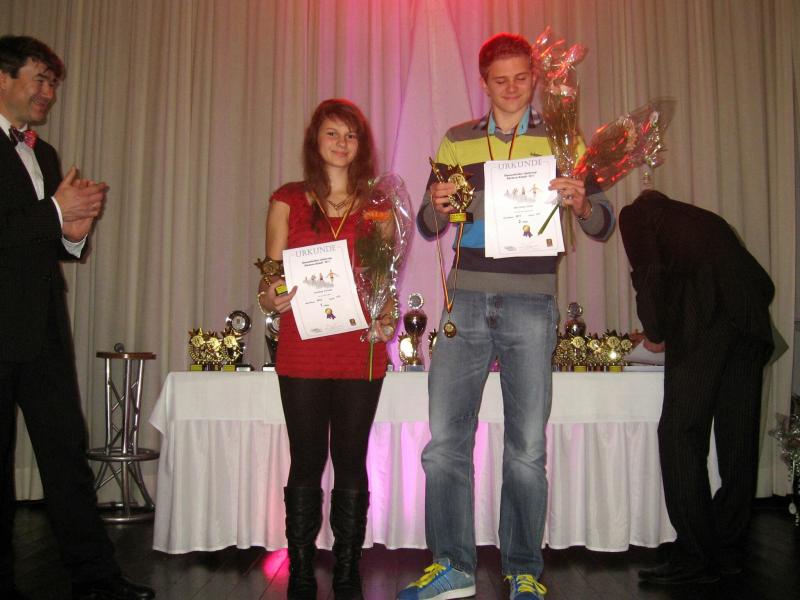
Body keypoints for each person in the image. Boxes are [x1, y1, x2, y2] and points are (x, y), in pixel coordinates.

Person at [398, 33, 615, 600]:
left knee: (526, 447)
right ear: (484, 83)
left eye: (521, 77)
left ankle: (522, 568)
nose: (512, 88)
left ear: (535, 79)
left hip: (532, 301)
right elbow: (428, 225)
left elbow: (602, 223)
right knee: (445, 442)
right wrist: (437, 205)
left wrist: (581, 202)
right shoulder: (457, 139)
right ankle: (452, 565)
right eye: (500, 80)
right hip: (465, 298)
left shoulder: (562, 137)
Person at [0, 36, 155, 600]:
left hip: (42, 326)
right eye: (39, 79)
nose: (49, 92)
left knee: (67, 454)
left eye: (53, 83)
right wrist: (55, 212)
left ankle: (97, 580)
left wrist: (73, 233)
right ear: (2, 78)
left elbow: (45, 236)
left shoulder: (43, 153)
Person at [257, 98, 397, 600]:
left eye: (350, 135)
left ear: (362, 145)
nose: (341, 143)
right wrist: (269, 297)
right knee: (306, 460)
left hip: (360, 349)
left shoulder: (379, 205)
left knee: (352, 459)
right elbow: (270, 276)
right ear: (315, 141)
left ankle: (347, 570)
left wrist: (386, 315)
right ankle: (299, 570)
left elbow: (384, 281)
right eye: (332, 133)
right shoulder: (287, 199)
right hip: (303, 347)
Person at [619, 189, 774, 585]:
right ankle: (726, 546)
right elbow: (763, 282)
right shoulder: (702, 219)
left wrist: (655, 332)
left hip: (704, 317)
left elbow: (649, 275)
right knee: (737, 436)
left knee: (679, 434)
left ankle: (694, 554)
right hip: (751, 322)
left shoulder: (635, 215)